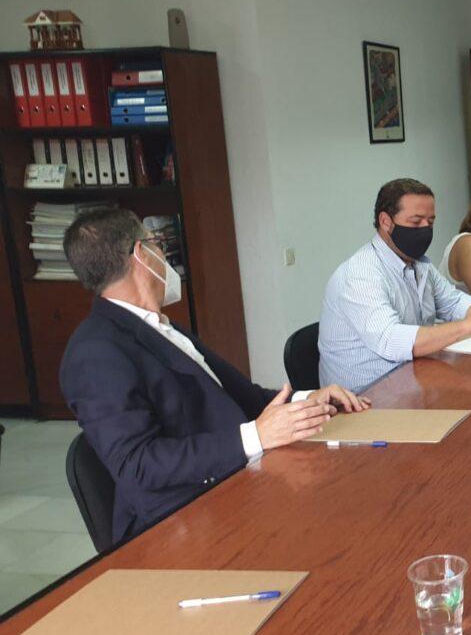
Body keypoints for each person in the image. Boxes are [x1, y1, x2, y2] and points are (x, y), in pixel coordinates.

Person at [60, 208, 368, 543]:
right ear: (140, 254)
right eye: (156, 243)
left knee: (349, 499)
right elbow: (139, 466)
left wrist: (306, 399)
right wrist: (256, 437)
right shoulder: (94, 353)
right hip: (180, 522)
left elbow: (240, 395)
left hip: (239, 482)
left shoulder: (160, 325)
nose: (162, 253)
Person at [319, 178, 471, 392]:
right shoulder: (360, 274)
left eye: (430, 222)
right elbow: (390, 340)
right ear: (386, 221)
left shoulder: (419, 263)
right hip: (366, 399)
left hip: (414, 379)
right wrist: (470, 325)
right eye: (416, 222)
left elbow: (452, 301)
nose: (425, 229)